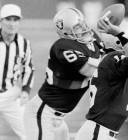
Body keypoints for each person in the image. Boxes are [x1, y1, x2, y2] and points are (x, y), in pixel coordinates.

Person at [24, 8, 104, 140]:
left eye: (83, 24)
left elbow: (109, 52)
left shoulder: (92, 41)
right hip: (43, 113)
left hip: (59, 119)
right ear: (67, 32)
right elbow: (89, 70)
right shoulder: (63, 46)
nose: (84, 28)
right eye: (78, 27)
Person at [0, 3, 34, 140]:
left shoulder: (23, 43)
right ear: (1, 20)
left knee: (30, 133)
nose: (12, 24)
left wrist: (25, 90)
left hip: (10, 95)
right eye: (8, 19)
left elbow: (28, 68)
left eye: (16, 20)